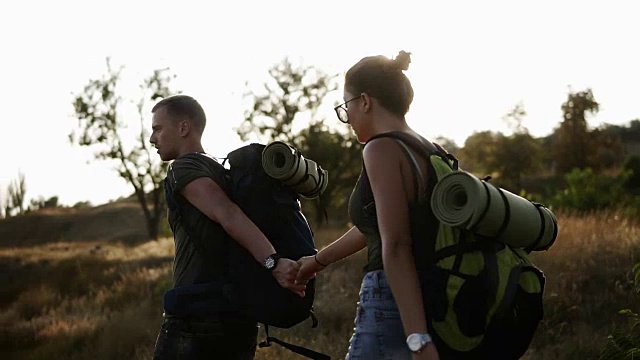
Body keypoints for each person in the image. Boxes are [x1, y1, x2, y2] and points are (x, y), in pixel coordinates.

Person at [296, 51, 441, 360]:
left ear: (365, 101)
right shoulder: (429, 149)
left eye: (345, 107)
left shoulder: (381, 149)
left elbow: (397, 244)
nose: (346, 118)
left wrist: (417, 338)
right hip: (430, 291)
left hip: (390, 299)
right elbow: (378, 226)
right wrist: (317, 261)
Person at [149, 94, 306, 360]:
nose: (153, 138)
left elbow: (227, 213)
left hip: (197, 316)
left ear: (183, 128)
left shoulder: (184, 168)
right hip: (239, 316)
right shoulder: (221, 169)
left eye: (158, 129)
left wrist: (273, 262)